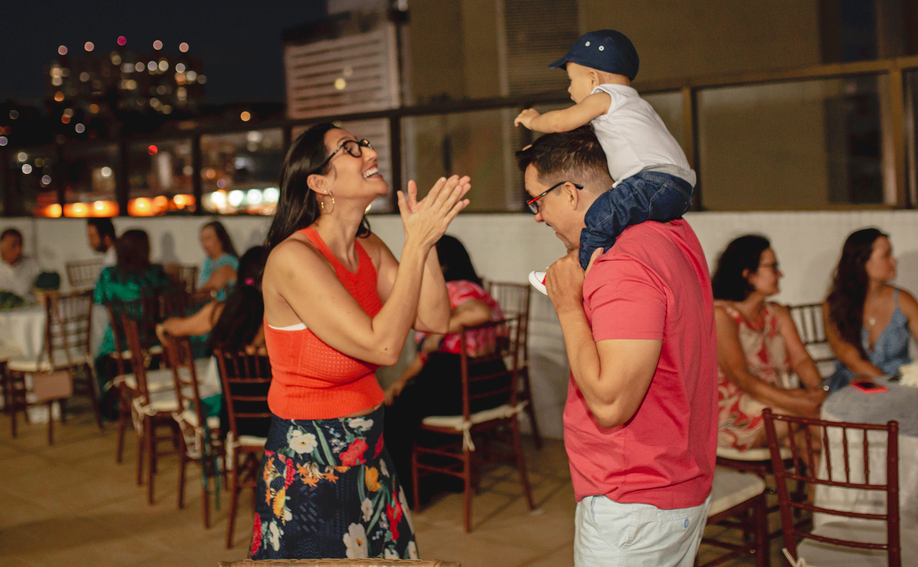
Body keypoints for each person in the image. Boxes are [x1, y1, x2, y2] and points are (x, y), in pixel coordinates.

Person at [253, 122, 469, 560]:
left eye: (365, 144)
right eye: (350, 149)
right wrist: (415, 246)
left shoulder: (368, 247)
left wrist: (423, 242)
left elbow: (434, 318)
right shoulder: (294, 257)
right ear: (319, 183)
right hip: (311, 462)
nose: (369, 153)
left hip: (370, 449)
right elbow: (382, 347)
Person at [519, 128, 716, 567]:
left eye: (538, 201)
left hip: (634, 500)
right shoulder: (671, 230)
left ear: (569, 192)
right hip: (673, 482)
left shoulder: (622, 261)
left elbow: (611, 404)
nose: (538, 217)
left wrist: (567, 306)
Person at [514, 29, 696, 274]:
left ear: (592, 79)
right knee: (619, 226)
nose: (569, 91)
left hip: (653, 181)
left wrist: (533, 120)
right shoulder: (638, 106)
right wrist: (541, 151)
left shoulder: (604, 97)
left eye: (571, 81)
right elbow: (587, 142)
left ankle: (582, 276)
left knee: (598, 219)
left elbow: (560, 122)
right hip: (681, 187)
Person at [382, 234, 505, 500]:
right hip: (489, 384)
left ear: (442, 264)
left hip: (466, 383)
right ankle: (439, 475)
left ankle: (408, 489)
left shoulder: (456, 289)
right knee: (404, 404)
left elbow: (479, 313)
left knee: (396, 413)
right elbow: (425, 356)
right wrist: (401, 380)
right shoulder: (470, 287)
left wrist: (440, 329)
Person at [712, 235, 828, 451]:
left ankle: (818, 466)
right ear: (747, 273)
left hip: (776, 401)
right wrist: (800, 403)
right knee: (818, 425)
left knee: (815, 439)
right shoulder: (721, 315)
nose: (780, 274)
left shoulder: (777, 313)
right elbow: (741, 377)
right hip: (737, 413)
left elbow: (801, 360)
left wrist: (818, 391)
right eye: (773, 267)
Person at [824, 228, 918, 391]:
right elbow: (853, 361)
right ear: (862, 261)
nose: (894, 260)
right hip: (856, 386)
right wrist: (890, 386)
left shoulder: (903, 301)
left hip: (899, 385)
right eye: (886, 255)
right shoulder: (835, 305)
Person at [159, 246, 270, 437]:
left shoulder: (219, 312)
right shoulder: (281, 320)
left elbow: (179, 327)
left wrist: (164, 326)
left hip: (232, 422)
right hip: (277, 423)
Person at [93, 229, 170, 356]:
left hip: (119, 343)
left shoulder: (109, 275)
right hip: (153, 339)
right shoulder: (156, 273)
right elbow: (169, 300)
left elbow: (99, 300)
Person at [198, 221, 239, 301]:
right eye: (202, 239)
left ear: (220, 239)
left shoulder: (228, 262)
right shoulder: (207, 262)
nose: (204, 243)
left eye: (208, 238)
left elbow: (206, 292)